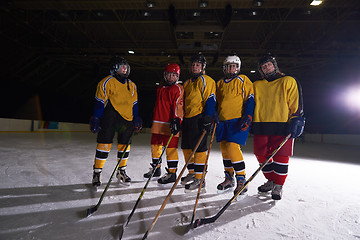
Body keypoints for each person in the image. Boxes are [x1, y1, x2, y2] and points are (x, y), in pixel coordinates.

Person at [252, 53, 305, 200]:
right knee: (261, 155)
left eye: (268, 64)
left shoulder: (288, 80)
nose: (267, 67)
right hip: (261, 124)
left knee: (281, 157)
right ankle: (271, 180)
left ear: (274, 65)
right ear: (261, 70)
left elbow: (296, 102)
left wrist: (297, 119)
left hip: (283, 125)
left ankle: (278, 185)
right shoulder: (257, 85)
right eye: (263, 66)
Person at [90, 56, 142, 187]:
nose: (125, 69)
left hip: (127, 120)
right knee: (104, 144)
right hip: (110, 117)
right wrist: (96, 118)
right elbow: (99, 103)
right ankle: (97, 172)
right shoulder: (106, 82)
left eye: (126, 66)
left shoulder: (132, 85)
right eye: (121, 66)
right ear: (114, 68)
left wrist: (136, 117)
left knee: (124, 146)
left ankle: (121, 171)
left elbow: (134, 104)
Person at [215, 55, 254, 196]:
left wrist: (248, 115)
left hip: (237, 120)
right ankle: (229, 178)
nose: (232, 68)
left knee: (232, 147)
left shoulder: (243, 80)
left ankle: (241, 179)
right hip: (222, 121)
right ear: (225, 67)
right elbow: (217, 102)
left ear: (238, 67)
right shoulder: (220, 83)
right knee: (225, 149)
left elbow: (250, 98)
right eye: (229, 66)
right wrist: (214, 114)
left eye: (234, 66)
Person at [143, 63, 184, 185]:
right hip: (157, 123)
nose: (171, 77)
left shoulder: (178, 88)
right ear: (165, 75)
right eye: (169, 75)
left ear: (177, 76)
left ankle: (172, 173)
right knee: (155, 146)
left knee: (171, 149)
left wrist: (177, 120)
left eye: (174, 75)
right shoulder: (161, 88)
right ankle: (156, 168)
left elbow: (178, 106)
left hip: (170, 125)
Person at [181, 53, 216, 191]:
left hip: (199, 118)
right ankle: (192, 173)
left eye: (198, 65)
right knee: (186, 148)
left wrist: (208, 117)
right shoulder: (187, 82)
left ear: (202, 67)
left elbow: (211, 99)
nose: (195, 67)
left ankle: (200, 178)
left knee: (199, 149)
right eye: (193, 65)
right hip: (187, 118)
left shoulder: (207, 80)